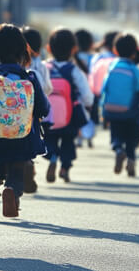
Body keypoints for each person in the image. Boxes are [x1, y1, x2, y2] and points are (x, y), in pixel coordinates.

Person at [0, 24, 49, 219]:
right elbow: (43, 107)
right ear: (23, 51)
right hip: (23, 136)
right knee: (17, 170)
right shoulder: (30, 77)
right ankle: (12, 192)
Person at [43, 28, 94, 183]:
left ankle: (52, 158)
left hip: (48, 115)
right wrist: (88, 104)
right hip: (69, 115)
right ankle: (65, 168)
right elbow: (86, 94)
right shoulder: (74, 70)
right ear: (73, 49)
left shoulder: (45, 67)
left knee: (49, 140)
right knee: (68, 142)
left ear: (49, 48)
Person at [100, 34, 139, 177]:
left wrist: (103, 108)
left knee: (116, 134)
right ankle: (131, 160)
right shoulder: (134, 69)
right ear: (134, 52)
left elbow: (104, 88)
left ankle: (118, 149)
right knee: (131, 138)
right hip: (130, 111)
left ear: (115, 50)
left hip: (112, 109)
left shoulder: (111, 66)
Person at [21, 26, 53, 193]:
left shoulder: (14, 65)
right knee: (29, 141)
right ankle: (29, 164)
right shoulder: (40, 67)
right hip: (34, 112)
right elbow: (47, 88)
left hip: (9, 112)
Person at [88, 31, 119, 127]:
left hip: (97, 93)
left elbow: (91, 74)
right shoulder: (118, 59)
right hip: (115, 94)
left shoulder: (97, 57)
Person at [74, 29, 96, 148]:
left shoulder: (73, 57)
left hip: (76, 89)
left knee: (77, 112)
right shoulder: (92, 58)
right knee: (89, 114)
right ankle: (89, 136)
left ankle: (79, 138)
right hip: (90, 89)